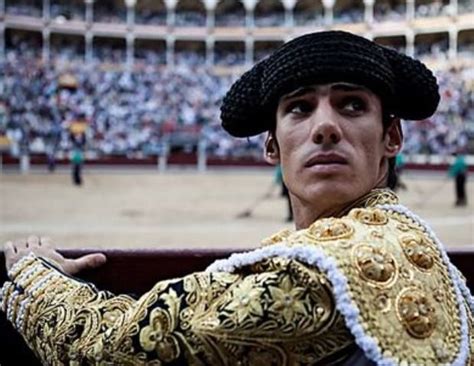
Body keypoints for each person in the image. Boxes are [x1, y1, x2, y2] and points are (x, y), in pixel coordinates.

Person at [2, 31, 473, 365]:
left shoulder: (309, 275)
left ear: (391, 136)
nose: (326, 125)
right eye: (299, 108)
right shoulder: (417, 245)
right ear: (272, 145)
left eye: (352, 104)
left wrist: (32, 277)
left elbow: (111, 349)